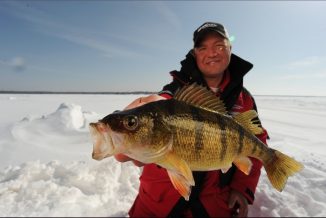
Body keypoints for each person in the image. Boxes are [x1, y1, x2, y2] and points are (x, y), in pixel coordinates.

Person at [115, 22, 268, 217]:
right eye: (202, 47)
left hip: (214, 204)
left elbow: (257, 141)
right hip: (158, 202)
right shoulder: (177, 91)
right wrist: (136, 118)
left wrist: (242, 187)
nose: (211, 53)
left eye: (219, 45)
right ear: (194, 54)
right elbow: (164, 101)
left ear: (230, 48)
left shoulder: (244, 99)